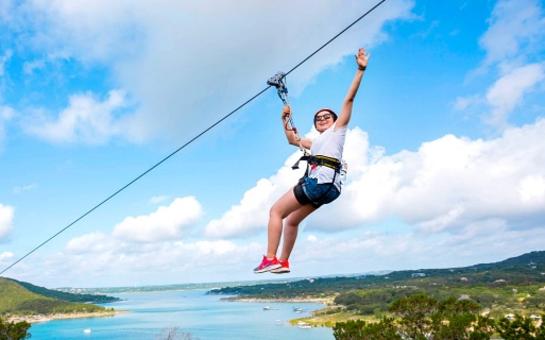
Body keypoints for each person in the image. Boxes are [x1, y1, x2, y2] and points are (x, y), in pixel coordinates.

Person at [254, 48, 369, 274]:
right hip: (330, 190)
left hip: (319, 184)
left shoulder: (337, 132)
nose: (322, 118)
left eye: (327, 116)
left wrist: (360, 69)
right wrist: (284, 119)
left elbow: (349, 99)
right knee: (292, 221)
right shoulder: (316, 143)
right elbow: (292, 140)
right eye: (318, 118)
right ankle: (283, 262)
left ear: (336, 120)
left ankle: (269, 258)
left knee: (276, 212)